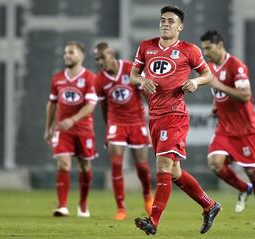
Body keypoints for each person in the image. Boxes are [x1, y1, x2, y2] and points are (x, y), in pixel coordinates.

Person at [130, 5, 222, 236]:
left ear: (180, 27)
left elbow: (208, 75)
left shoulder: (188, 50)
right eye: (162, 20)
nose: (165, 24)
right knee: (174, 173)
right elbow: (132, 75)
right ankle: (209, 205)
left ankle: (153, 221)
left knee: (162, 167)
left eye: (171, 21)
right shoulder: (146, 47)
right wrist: (141, 80)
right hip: (155, 117)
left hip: (175, 116)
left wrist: (195, 82)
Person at [200, 30, 255, 225]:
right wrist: (215, 107)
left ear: (220, 45)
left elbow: (245, 95)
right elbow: (219, 93)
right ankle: (243, 189)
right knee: (215, 163)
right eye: (203, 48)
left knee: (253, 173)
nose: (205, 53)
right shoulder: (211, 67)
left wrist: (219, 85)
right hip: (225, 126)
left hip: (246, 128)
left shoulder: (236, 66)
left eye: (208, 48)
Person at [94, 42, 153, 220]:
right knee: (116, 164)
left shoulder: (129, 69)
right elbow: (103, 106)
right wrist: (108, 128)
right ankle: (121, 208)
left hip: (136, 122)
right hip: (116, 123)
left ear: (111, 54)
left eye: (102, 57)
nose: (100, 62)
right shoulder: (99, 80)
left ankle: (147, 196)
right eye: (97, 59)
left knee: (142, 167)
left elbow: (146, 94)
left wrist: (155, 111)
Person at [44, 41, 97, 218]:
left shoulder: (90, 77)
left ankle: (83, 204)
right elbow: (52, 104)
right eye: (66, 52)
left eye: (71, 52)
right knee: (63, 163)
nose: (67, 55)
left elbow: (90, 106)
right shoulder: (57, 78)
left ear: (81, 56)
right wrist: (48, 127)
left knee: (84, 165)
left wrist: (73, 120)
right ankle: (62, 206)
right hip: (62, 129)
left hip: (83, 129)